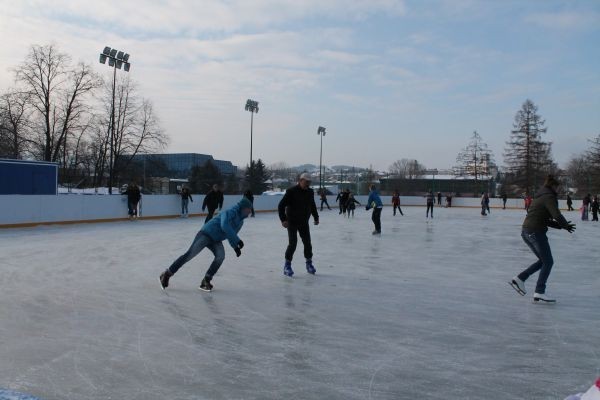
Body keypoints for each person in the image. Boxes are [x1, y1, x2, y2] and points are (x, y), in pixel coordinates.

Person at [159, 197, 253, 292]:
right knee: (190, 254)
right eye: (248, 209)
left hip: (216, 239)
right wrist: (238, 241)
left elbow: (231, 233)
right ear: (243, 208)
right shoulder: (229, 212)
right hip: (206, 233)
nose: (250, 211)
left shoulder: (240, 222)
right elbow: (224, 225)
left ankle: (206, 281)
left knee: (220, 256)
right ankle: (167, 273)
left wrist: (235, 246)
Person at [509, 175, 576, 303]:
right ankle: (539, 291)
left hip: (527, 231)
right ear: (553, 186)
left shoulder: (540, 196)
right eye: (557, 187)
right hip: (535, 232)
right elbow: (556, 214)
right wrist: (565, 225)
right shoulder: (549, 197)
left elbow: (543, 218)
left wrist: (563, 227)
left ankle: (520, 278)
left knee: (543, 261)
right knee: (548, 262)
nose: (558, 190)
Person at [278, 173, 319, 277]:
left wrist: (316, 217)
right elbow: (281, 205)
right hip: (292, 222)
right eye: (306, 182)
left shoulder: (310, 192)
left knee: (308, 243)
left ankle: (309, 264)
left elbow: (312, 205)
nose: (308, 184)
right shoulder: (291, 191)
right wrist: (283, 219)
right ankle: (287, 266)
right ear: (300, 180)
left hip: (304, 222)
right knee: (293, 244)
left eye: (309, 182)